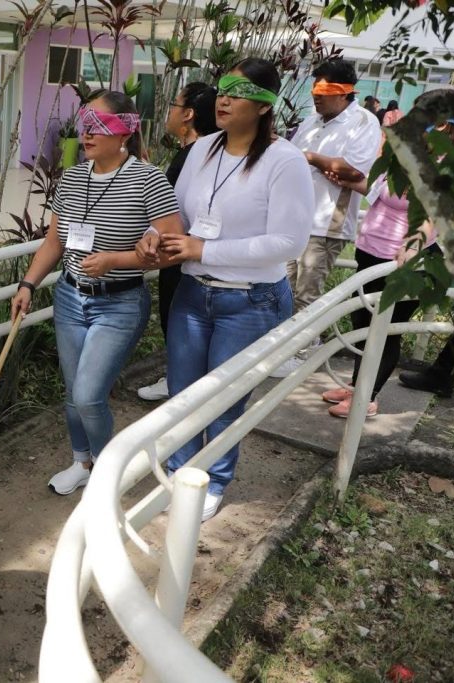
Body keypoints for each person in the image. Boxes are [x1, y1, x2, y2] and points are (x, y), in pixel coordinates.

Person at [151, 58, 314, 520]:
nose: (223, 99)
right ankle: (180, 473)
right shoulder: (203, 148)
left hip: (250, 300)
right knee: (182, 393)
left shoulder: (285, 161)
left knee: (224, 400)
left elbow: (289, 242)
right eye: (222, 88)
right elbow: (177, 213)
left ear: (264, 105)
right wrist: (155, 235)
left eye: (238, 91)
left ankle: (214, 480)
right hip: (192, 292)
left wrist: (204, 249)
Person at [10, 91, 182, 495]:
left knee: (88, 395)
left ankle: (106, 472)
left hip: (120, 303)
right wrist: (27, 284)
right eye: (84, 122)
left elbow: (174, 248)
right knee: (73, 393)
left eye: (98, 124)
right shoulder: (72, 177)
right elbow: (55, 241)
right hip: (70, 298)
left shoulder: (148, 179)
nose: (86, 132)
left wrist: (115, 261)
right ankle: (81, 462)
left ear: (126, 131)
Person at [318, 117, 454, 417]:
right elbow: (381, 192)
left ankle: (367, 398)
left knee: (385, 330)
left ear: (441, 125)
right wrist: (349, 182)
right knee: (363, 324)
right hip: (370, 252)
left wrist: (414, 243)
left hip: (403, 262)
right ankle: (357, 386)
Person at [273, 58, 382, 378]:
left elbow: (354, 171)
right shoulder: (311, 121)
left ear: (345, 92)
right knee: (281, 288)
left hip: (327, 222)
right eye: (314, 89)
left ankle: (305, 351)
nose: (316, 96)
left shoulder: (363, 122)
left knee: (307, 292)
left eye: (324, 90)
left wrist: (310, 157)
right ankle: (281, 347)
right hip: (293, 219)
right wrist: (323, 162)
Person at [137, 82, 218, 402]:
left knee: (177, 320)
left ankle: (178, 381)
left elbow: (173, 208)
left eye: (174, 105)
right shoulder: (201, 153)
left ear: (188, 115)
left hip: (181, 254)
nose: (168, 112)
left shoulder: (194, 154)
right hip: (185, 252)